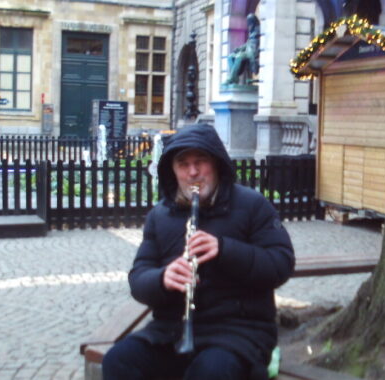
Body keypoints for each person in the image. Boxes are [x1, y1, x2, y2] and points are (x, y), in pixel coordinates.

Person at [102, 123, 295, 380]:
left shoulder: (252, 205)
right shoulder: (160, 215)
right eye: (183, 164)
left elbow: (280, 264)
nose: (193, 172)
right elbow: (138, 278)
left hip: (238, 331)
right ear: (173, 171)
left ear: (216, 164)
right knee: (119, 361)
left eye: (200, 161)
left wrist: (225, 249)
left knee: (211, 372)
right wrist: (163, 278)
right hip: (171, 331)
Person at [223, 13, 260, 85]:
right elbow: (248, 43)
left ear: (253, 22)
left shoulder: (258, 30)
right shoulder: (251, 32)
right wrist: (239, 48)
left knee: (239, 56)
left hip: (253, 52)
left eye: (250, 22)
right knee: (230, 56)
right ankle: (234, 76)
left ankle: (232, 78)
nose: (249, 25)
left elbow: (256, 44)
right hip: (248, 50)